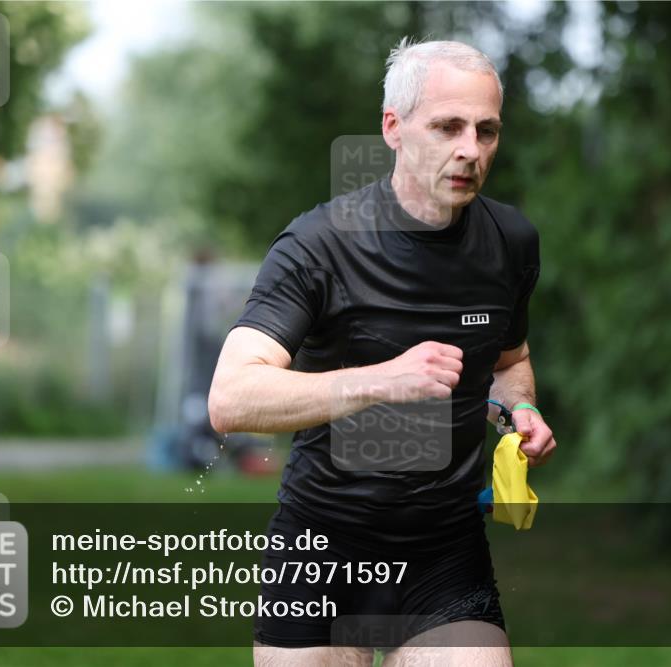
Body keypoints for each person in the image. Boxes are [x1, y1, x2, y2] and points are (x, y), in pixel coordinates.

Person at [209, 37, 556, 667]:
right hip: (321, 546)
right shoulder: (318, 245)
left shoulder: (510, 242)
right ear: (393, 128)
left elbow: (508, 362)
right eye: (448, 126)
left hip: (444, 552)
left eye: (486, 131)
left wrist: (518, 412)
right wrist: (380, 380)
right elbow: (231, 397)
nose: (470, 151)